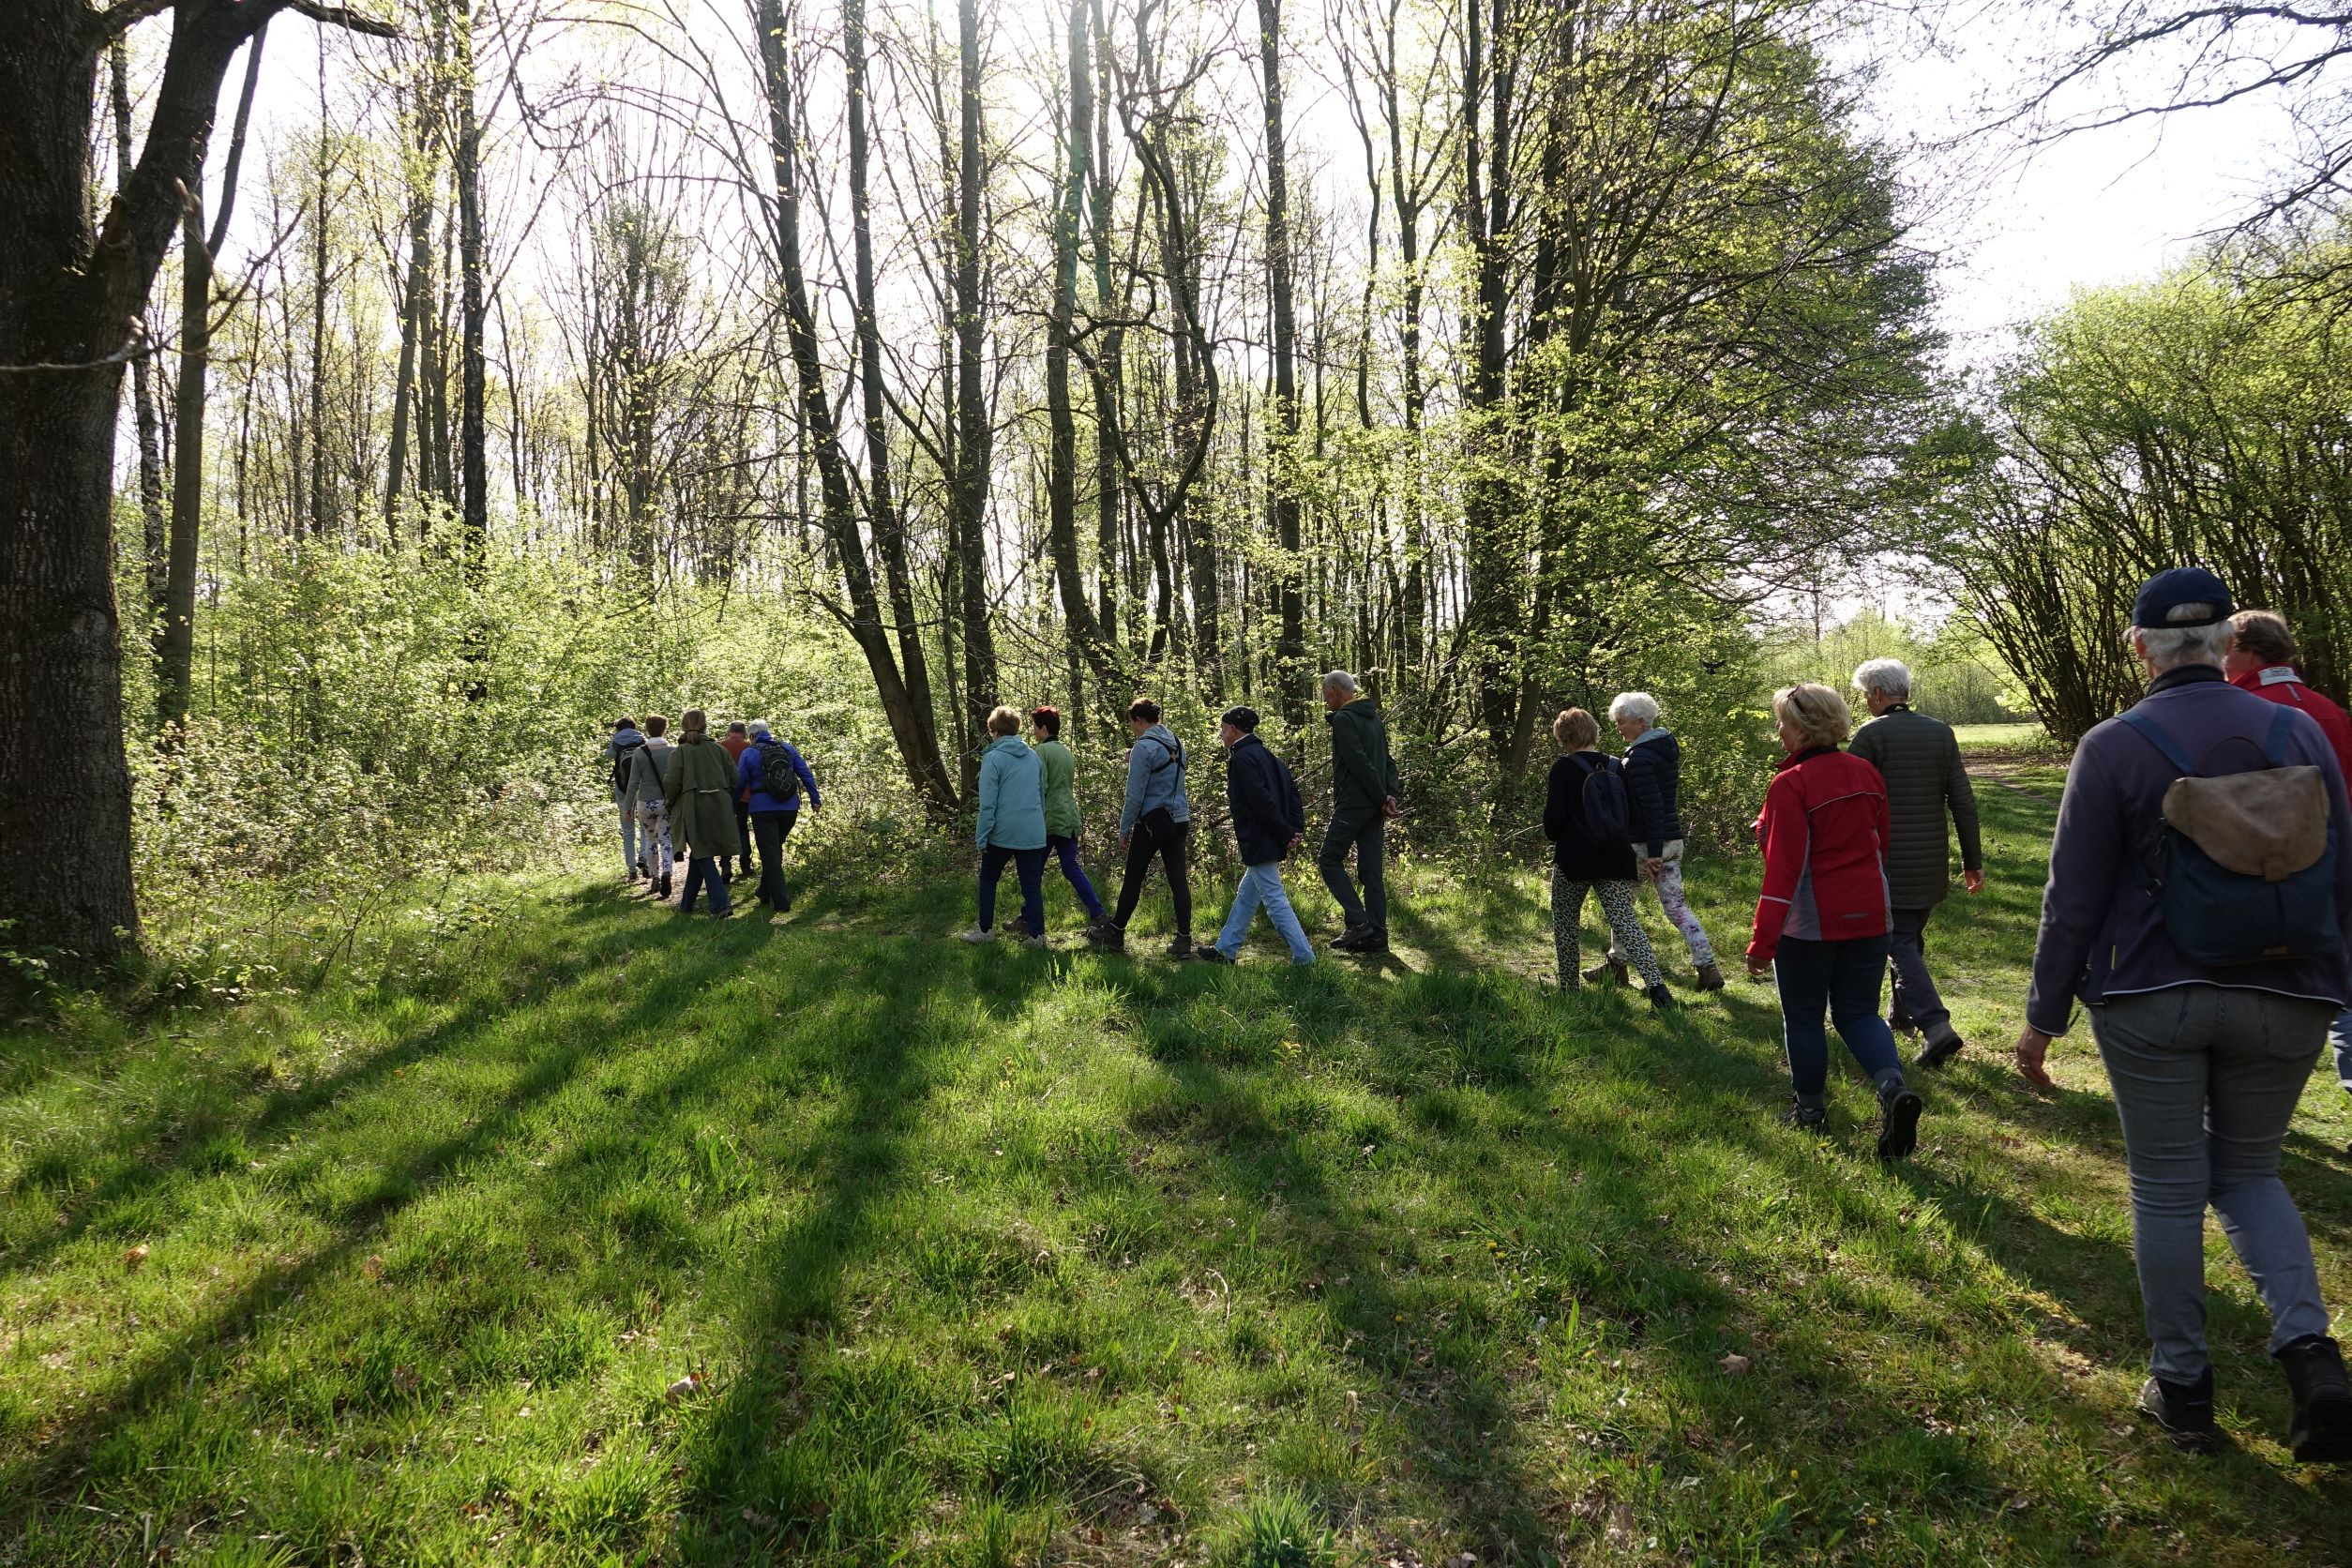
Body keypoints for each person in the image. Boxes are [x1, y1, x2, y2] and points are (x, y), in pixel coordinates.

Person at [2015, 569, 2352, 1460]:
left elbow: (2072, 898)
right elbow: (2344, 872)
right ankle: (2314, 1359)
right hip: (2289, 994)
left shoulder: (2115, 744)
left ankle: (2186, 1391)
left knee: (2167, 1188)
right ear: (2222, 642)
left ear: (2141, 648)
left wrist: (2042, 1017)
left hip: (2152, 996)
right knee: (2250, 1173)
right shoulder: (2302, 730)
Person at [1745, 682, 1923, 1159]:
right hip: (1872, 914)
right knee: (1859, 1013)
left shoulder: (1790, 784)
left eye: (1783, 722)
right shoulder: (1866, 773)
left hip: (1811, 923)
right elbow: (1880, 845)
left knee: (1804, 1017)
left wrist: (1763, 943)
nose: (1779, 731)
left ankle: (1809, 1111)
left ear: (1802, 728)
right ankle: (1893, 1091)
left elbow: (1783, 872)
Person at [2226, 608, 2352, 1144]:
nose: (2220, 660)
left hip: (2275, 876)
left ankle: (2250, 1109)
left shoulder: (2248, 711)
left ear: (2250, 653)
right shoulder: (2329, 710)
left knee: (2265, 990)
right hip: (2341, 868)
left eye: (2225, 649)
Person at [1847, 659, 1984, 1068]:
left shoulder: (1870, 736)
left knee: (1899, 941)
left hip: (1888, 862)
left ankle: (1935, 1025)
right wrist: (1971, 861)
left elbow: (1849, 800)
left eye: (1864, 695)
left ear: (1876, 694)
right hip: (1930, 862)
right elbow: (1962, 800)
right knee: (1909, 935)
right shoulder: (1941, 733)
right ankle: (1901, 1013)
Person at [1592, 692, 1725, 991]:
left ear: (1641, 722)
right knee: (1676, 908)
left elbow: (1651, 807)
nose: (1618, 727)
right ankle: (1707, 968)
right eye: (1616, 722)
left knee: (1621, 905)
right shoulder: (1662, 748)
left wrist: (1652, 853)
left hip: (1647, 846)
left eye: (1622, 722)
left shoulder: (1639, 758)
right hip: (1671, 840)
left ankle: (1617, 967)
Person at [1545, 708, 1675, 1009]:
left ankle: (1569, 990)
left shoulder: (1563, 769)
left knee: (1565, 923)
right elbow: (1631, 815)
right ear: (1593, 732)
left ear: (1564, 737)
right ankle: (1658, 990)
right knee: (1625, 921)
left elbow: (1553, 824)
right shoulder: (1618, 766)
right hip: (1615, 857)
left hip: (1573, 860)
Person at [1197, 707, 1315, 966]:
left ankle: (1305, 957)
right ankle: (1225, 950)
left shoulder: (1241, 758)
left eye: (1222, 728)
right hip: (1270, 835)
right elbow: (1292, 792)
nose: (1221, 733)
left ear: (1233, 730)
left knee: (1274, 900)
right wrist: (1294, 828)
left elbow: (1261, 801)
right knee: (1247, 894)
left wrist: (1286, 832)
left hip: (1259, 837)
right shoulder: (1266, 755)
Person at [1089, 698, 1194, 957]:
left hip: (1152, 823)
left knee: (1134, 878)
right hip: (1179, 819)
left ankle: (1115, 933)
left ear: (1139, 720)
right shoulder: (1177, 742)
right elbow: (1167, 772)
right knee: (1179, 881)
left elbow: (1134, 795)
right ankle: (1184, 941)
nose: (1133, 730)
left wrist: (1124, 830)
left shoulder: (1143, 747)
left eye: (1132, 724)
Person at [1319, 671, 1401, 954]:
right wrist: (1390, 794)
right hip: (1375, 804)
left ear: (1334, 690)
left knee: (1328, 858)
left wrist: (1381, 797)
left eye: (1324, 691)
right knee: (1370, 871)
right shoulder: (1373, 718)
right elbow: (1388, 762)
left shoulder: (1344, 719)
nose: (1323, 697)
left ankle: (1357, 922)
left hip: (1355, 803)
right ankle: (1377, 936)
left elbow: (1359, 763)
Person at [957, 705, 1049, 948]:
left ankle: (986, 930)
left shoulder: (993, 758)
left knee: (988, 877)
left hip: (1002, 832)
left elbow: (988, 804)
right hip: (1032, 830)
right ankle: (1038, 936)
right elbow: (1041, 796)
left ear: (994, 730)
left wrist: (982, 836)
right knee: (1031, 884)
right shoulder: (1033, 756)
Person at [1028, 706, 1107, 931]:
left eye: (1035, 727)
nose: (1033, 732)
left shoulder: (1041, 752)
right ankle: (1098, 912)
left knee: (1033, 871)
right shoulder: (1065, 750)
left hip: (1049, 817)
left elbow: (1040, 787)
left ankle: (1027, 920)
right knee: (1071, 867)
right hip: (1069, 814)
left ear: (1043, 729)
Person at [662, 708, 741, 918]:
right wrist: (724, 798)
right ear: (705, 725)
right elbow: (736, 779)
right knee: (700, 852)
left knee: (702, 853)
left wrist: (670, 803)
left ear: (683, 726)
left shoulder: (680, 752)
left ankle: (721, 904)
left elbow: (671, 783)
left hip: (692, 807)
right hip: (720, 805)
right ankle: (686, 906)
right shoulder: (719, 750)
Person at [737, 721, 821, 913]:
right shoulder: (786, 748)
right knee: (774, 851)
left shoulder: (750, 753)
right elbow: (805, 773)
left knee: (770, 854)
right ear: (768, 733)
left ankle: (782, 902)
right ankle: (764, 892)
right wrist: (815, 799)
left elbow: (740, 782)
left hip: (762, 809)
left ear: (751, 736)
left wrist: (734, 805)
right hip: (790, 808)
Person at [626, 714, 675, 900]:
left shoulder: (640, 752)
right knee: (666, 839)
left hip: (645, 803)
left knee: (650, 839)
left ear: (647, 729)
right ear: (665, 728)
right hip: (665, 802)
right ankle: (667, 872)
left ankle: (655, 876)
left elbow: (633, 782)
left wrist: (627, 806)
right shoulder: (672, 751)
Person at [603, 716, 647, 882]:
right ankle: (644, 857)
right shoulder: (642, 739)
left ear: (618, 728)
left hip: (622, 788)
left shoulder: (616, 741)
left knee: (628, 830)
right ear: (634, 726)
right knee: (645, 826)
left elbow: (608, 756)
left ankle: (632, 870)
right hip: (642, 787)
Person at [719, 720, 754, 882]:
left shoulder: (720, 746)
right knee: (742, 829)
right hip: (745, 796)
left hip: (725, 795)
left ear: (729, 731)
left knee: (725, 829)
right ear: (744, 733)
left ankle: (726, 865)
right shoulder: (749, 747)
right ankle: (745, 864)